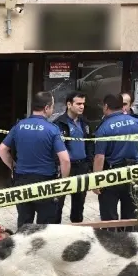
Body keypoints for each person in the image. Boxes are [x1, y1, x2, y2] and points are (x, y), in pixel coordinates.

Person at [0, 91, 71, 229]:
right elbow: (65, 160)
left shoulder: (19, 126)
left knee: (25, 224)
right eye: (52, 106)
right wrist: (63, 182)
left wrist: (13, 166)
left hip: (22, 180)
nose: (53, 110)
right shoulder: (52, 129)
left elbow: (1, 150)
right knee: (45, 227)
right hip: (45, 182)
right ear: (47, 107)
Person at [93, 94, 138, 231]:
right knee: (131, 214)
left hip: (112, 174)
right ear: (122, 105)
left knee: (109, 216)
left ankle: (111, 244)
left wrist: (96, 181)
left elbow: (99, 157)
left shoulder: (104, 127)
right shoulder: (137, 122)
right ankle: (131, 244)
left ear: (106, 106)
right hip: (134, 172)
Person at [54, 92, 93, 224]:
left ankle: (76, 230)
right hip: (65, 168)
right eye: (78, 103)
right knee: (58, 202)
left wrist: (89, 164)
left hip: (82, 167)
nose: (82, 106)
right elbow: (55, 149)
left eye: (83, 104)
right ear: (69, 104)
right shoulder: (59, 123)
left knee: (79, 203)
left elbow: (90, 145)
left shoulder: (85, 123)